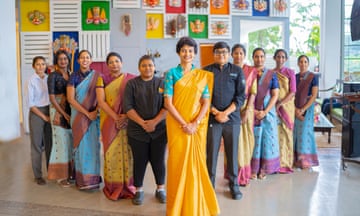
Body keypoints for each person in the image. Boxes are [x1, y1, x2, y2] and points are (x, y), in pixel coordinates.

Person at [164, 36, 220, 216]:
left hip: (196, 127)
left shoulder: (201, 75)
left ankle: (194, 204)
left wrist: (194, 123)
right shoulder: (171, 74)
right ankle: (177, 208)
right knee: (177, 164)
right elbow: (168, 103)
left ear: (194, 53)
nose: (187, 54)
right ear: (178, 53)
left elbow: (206, 102)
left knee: (196, 164)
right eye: (183, 50)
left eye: (190, 50)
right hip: (176, 125)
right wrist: (184, 124)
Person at [204, 41, 246, 200]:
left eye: (224, 52)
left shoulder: (237, 71)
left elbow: (241, 96)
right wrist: (215, 112)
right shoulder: (206, 71)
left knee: (232, 153)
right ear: (213, 54)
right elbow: (202, 96)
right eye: (218, 52)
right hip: (212, 119)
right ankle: (209, 186)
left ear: (228, 54)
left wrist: (226, 112)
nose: (221, 55)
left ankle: (234, 185)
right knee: (212, 153)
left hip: (232, 119)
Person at [124, 55, 167, 205]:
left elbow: (167, 106)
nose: (147, 68)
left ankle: (160, 189)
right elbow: (128, 108)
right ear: (139, 67)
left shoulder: (162, 83)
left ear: (154, 67)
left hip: (159, 130)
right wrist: (143, 123)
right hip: (137, 131)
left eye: (150, 65)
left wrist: (154, 122)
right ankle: (139, 190)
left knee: (159, 161)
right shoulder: (132, 84)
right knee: (139, 161)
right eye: (144, 65)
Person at [96, 52, 136, 200]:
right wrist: (116, 118)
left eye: (117, 61)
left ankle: (128, 186)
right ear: (107, 65)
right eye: (111, 62)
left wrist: (125, 116)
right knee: (111, 154)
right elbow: (101, 101)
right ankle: (113, 186)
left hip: (127, 122)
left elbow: (134, 99)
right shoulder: (102, 79)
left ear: (122, 63)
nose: (114, 64)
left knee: (127, 153)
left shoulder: (130, 79)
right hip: (109, 122)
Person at [67, 50, 101, 190]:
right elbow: (71, 99)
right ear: (78, 61)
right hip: (79, 116)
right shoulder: (73, 77)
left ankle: (93, 179)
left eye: (87, 57)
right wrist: (87, 113)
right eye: (82, 58)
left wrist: (95, 111)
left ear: (91, 60)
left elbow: (101, 97)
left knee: (93, 146)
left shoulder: (97, 76)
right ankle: (82, 180)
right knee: (80, 147)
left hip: (94, 117)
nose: (85, 60)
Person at [224, 44, 257, 186]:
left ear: (244, 55)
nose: (238, 56)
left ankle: (243, 175)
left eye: (241, 53)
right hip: (231, 109)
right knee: (232, 142)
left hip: (245, 110)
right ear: (232, 55)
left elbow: (253, 93)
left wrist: (247, 111)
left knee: (246, 142)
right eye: (235, 53)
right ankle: (233, 175)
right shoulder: (227, 69)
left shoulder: (251, 71)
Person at [251, 47, 280, 180]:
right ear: (253, 58)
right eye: (256, 56)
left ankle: (264, 169)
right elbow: (245, 93)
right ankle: (252, 169)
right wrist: (254, 111)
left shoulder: (271, 74)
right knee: (253, 141)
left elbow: (275, 95)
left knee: (267, 140)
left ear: (265, 58)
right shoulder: (249, 73)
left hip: (268, 113)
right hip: (251, 111)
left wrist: (265, 111)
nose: (259, 59)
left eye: (262, 56)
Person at [47, 50, 74, 187]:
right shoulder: (53, 76)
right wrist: (63, 114)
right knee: (60, 143)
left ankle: (69, 173)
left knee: (69, 143)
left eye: (65, 59)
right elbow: (52, 98)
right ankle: (61, 176)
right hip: (58, 111)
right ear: (56, 61)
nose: (63, 61)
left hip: (70, 111)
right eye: (60, 59)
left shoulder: (71, 74)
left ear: (69, 60)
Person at [27, 56, 53, 185]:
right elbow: (31, 104)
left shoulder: (49, 78)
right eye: (38, 64)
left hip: (49, 110)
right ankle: (38, 175)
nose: (41, 66)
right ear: (34, 66)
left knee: (49, 143)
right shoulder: (32, 80)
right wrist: (44, 117)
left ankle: (51, 171)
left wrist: (50, 115)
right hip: (36, 112)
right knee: (37, 145)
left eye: (43, 64)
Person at [272, 49, 296, 173]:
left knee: (286, 134)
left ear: (285, 59)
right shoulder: (270, 73)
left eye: (282, 57)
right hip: (273, 107)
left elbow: (292, 92)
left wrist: (280, 103)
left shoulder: (290, 72)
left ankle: (286, 164)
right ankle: (275, 163)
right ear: (274, 58)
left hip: (286, 107)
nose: (280, 59)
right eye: (278, 56)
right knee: (275, 135)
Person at [294, 55, 319, 169]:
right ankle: (296, 159)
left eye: (305, 62)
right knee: (296, 133)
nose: (303, 64)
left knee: (305, 133)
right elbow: (292, 94)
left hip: (307, 108)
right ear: (298, 64)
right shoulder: (294, 77)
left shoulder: (313, 77)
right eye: (301, 62)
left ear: (308, 64)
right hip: (295, 107)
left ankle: (305, 160)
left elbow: (314, 95)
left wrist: (303, 109)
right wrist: (295, 110)